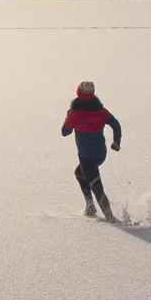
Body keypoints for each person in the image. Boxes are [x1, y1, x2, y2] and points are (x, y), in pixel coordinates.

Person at [61, 81, 123, 221]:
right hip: (101, 153)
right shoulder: (100, 111)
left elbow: (65, 132)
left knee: (96, 185)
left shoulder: (75, 114)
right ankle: (90, 205)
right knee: (79, 174)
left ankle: (110, 217)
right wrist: (116, 142)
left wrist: (68, 117)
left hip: (86, 156)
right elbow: (116, 124)